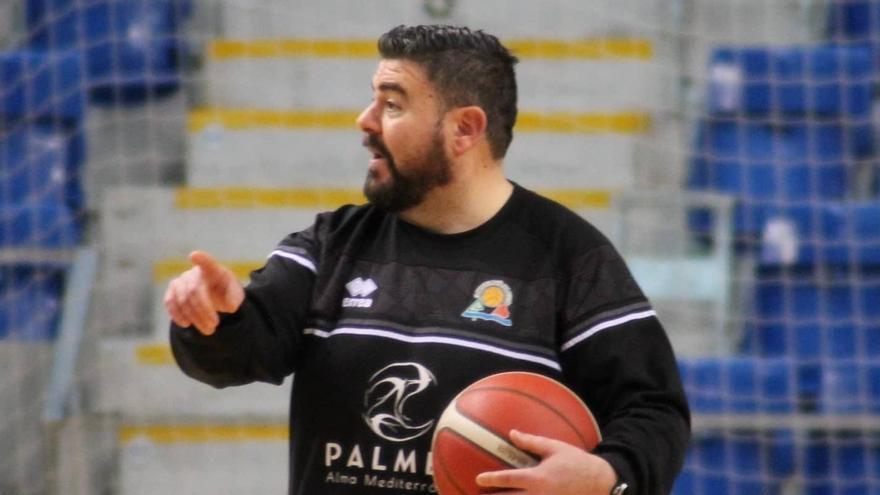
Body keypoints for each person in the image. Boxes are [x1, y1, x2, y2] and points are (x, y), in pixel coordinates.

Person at [166, 24, 690, 495]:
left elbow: (653, 410)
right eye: (374, 101)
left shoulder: (571, 258)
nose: (364, 121)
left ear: (465, 129)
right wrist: (216, 318)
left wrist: (608, 477)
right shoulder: (333, 243)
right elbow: (238, 355)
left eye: (392, 105)